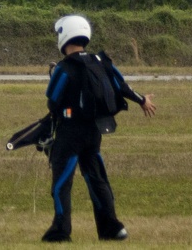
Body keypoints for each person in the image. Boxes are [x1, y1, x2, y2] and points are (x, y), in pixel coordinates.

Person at [42, 15, 156, 243]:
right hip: (95, 132)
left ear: (65, 37)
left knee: (62, 182)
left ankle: (60, 232)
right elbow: (121, 85)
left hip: (70, 133)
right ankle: (112, 229)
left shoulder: (65, 68)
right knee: (97, 179)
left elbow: (52, 102)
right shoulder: (99, 61)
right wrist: (142, 100)